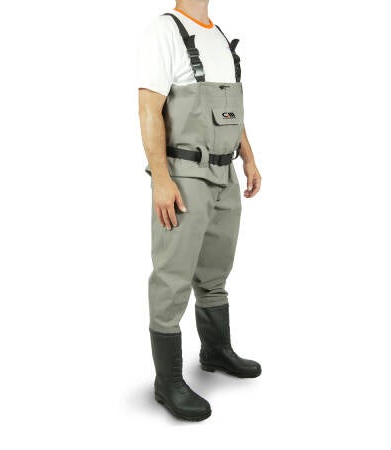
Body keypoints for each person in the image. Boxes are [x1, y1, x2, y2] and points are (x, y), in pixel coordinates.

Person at [136, 0, 262, 421]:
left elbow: (232, 110)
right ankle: (168, 381)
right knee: (173, 276)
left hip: (226, 172)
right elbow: (149, 108)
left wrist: (248, 158)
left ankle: (216, 351)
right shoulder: (165, 30)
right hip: (185, 173)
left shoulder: (218, 34)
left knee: (215, 270)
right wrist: (160, 178)